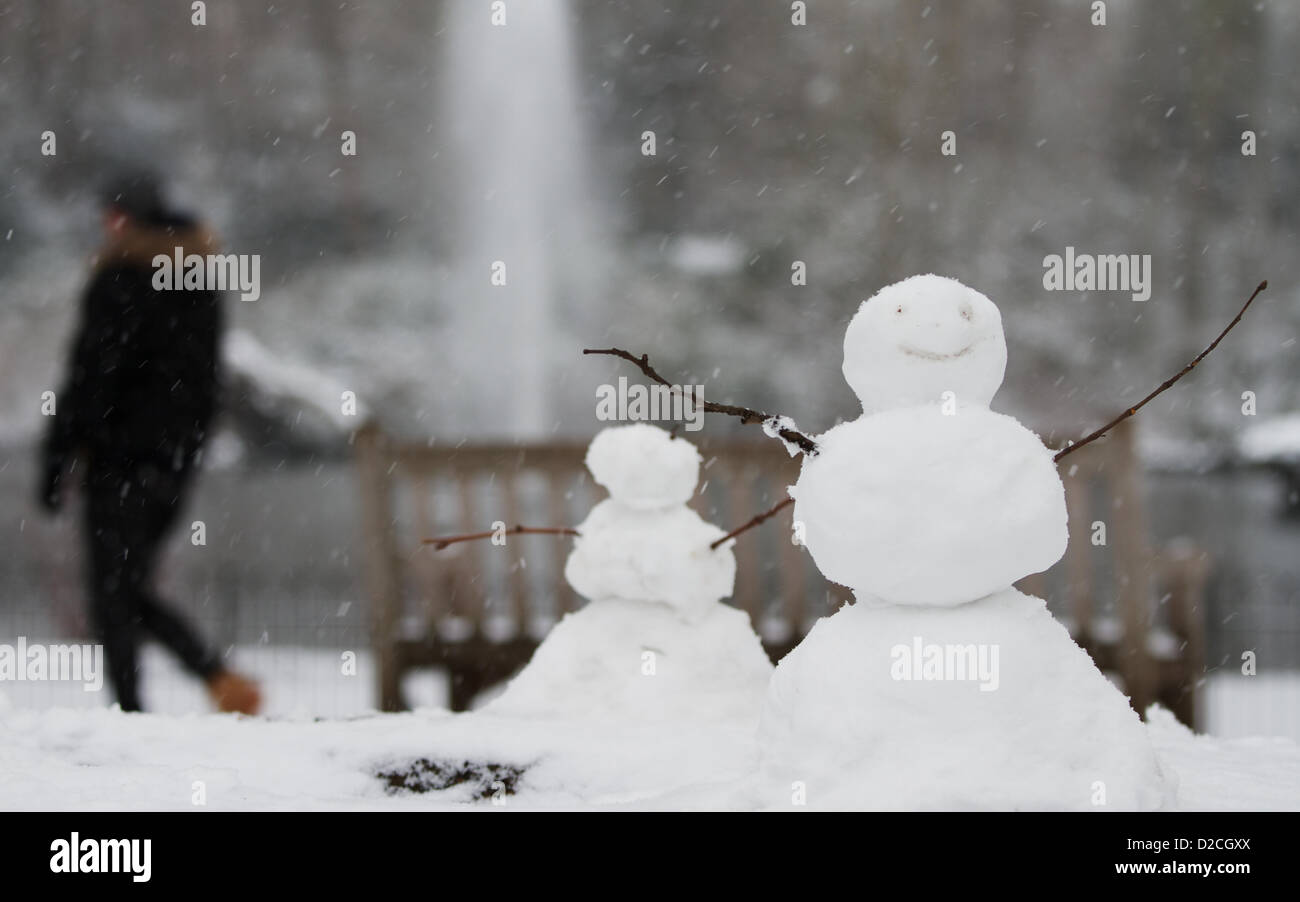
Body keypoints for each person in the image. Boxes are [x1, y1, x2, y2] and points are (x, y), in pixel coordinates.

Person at [36, 169, 261, 715]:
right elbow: (209, 380)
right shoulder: (195, 276)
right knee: (127, 586)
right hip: (175, 461)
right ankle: (213, 680)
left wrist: (59, 457)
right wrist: (188, 445)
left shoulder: (119, 279)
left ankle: (140, 709)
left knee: (114, 592)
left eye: (109, 215)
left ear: (124, 218)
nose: (104, 227)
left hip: (118, 458)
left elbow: (90, 377)